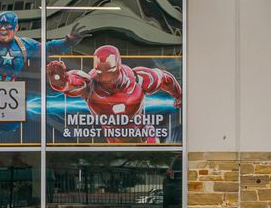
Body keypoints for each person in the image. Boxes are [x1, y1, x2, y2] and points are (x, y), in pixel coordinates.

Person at [47, 45, 182, 142]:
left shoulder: (140, 79)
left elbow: (166, 79)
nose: (106, 80)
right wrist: (60, 80)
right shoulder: (90, 84)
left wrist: (179, 95)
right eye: (101, 73)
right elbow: (73, 82)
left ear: (118, 66)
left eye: (110, 73)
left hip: (141, 132)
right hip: (112, 137)